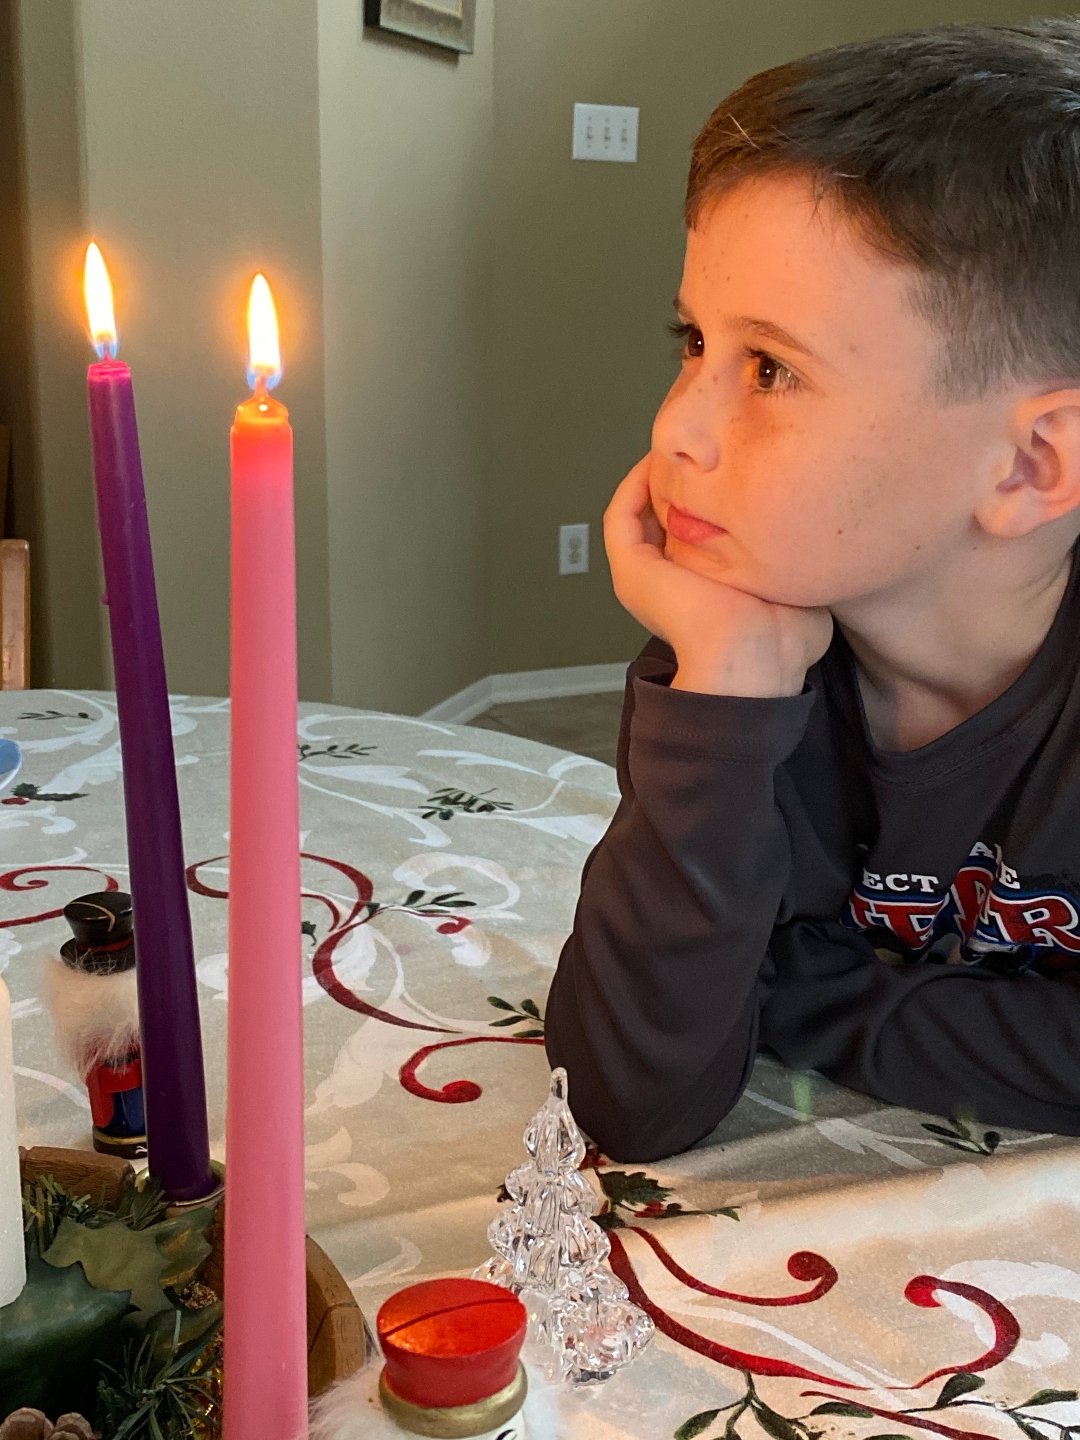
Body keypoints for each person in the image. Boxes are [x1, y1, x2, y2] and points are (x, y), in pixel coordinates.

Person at [544, 19, 1080, 1163]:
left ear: (1033, 464)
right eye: (693, 340)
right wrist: (727, 691)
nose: (675, 427)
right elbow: (624, 1104)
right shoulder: (745, 637)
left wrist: (794, 995)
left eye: (772, 369)